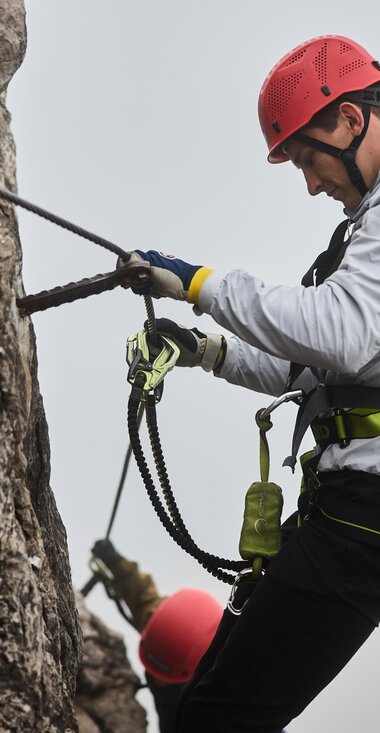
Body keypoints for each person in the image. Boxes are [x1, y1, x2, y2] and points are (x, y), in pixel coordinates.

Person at [119, 35, 380, 732]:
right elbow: (312, 363)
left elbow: (338, 332)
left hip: (366, 519)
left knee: (220, 718)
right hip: (345, 507)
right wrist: (203, 347)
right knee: (208, 697)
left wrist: (201, 284)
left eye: (310, 159)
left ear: (352, 121)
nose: (311, 183)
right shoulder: (359, 235)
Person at [91, 538, 223, 733]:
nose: (158, 679)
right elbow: (143, 600)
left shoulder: (216, 701)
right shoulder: (165, 628)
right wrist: (117, 563)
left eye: (164, 678)